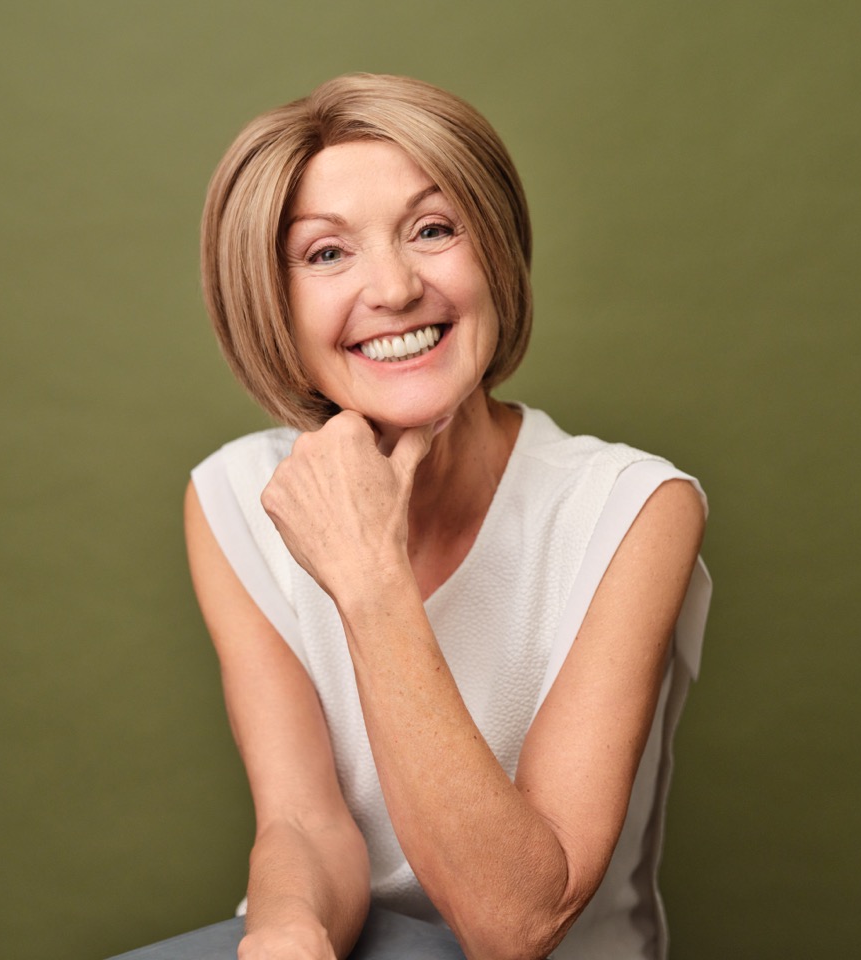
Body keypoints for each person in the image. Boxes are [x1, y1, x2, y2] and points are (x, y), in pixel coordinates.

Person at [126, 73, 711, 960]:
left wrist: (369, 576)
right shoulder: (236, 497)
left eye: (434, 230)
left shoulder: (632, 511)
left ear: (497, 255)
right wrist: (287, 934)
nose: (395, 288)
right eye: (327, 253)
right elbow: (305, 822)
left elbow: (516, 922)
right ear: (271, 303)